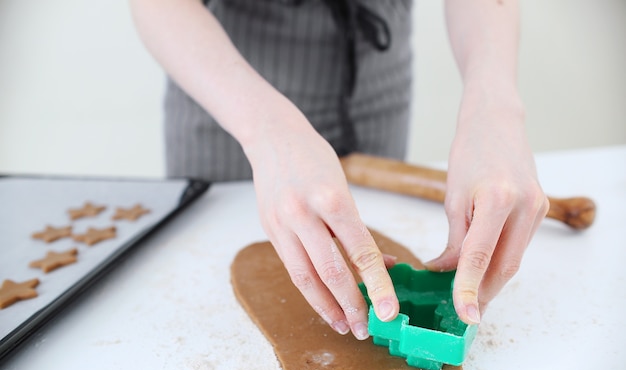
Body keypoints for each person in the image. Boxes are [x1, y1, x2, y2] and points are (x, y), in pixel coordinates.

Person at [129, 0, 549, 341]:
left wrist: (495, 105)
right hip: (228, 81)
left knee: (359, 236)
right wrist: (264, 129)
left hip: (376, 65)